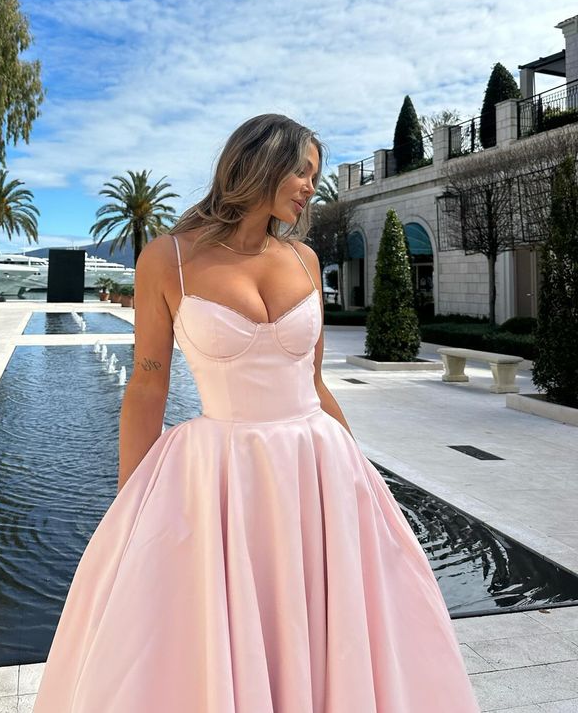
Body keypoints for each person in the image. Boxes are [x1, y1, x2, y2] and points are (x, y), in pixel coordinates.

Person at [32, 114, 481, 712]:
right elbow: (146, 386)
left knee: (333, 628)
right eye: (302, 171)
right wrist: (129, 506)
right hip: (222, 478)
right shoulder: (169, 260)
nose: (310, 188)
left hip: (317, 468)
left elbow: (315, 383)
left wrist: (363, 479)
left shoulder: (302, 258)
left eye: (316, 177)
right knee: (228, 630)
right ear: (261, 161)